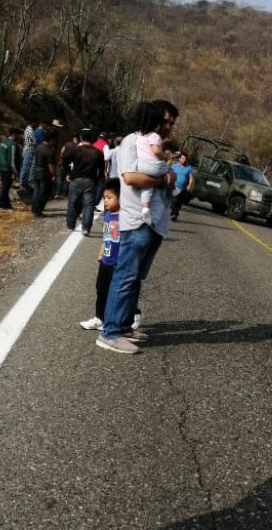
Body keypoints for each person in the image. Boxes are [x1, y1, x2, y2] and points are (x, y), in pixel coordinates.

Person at [96, 100, 179, 354]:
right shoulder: (131, 141)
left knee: (135, 278)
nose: (169, 126)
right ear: (153, 118)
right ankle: (109, 332)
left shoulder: (156, 145)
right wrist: (165, 177)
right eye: (166, 121)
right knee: (125, 275)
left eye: (172, 122)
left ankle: (123, 325)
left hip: (155, 224)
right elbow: (131, 177)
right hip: (136, 220)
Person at [79, 178, 121, 331]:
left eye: (109, 198)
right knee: (101, 289)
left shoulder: (125, 217)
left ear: (121, 198)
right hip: (106, 259)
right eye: (104, 198)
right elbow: (106, 236)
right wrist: (101, 252)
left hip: (117, 262)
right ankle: (99, 318)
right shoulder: (108, 215)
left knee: (115, 292)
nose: (106, 201)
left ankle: (115, 320)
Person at [63, 128, 105, 236]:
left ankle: (70, 225)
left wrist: (68, 173)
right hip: (90, 180)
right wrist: (99, 180)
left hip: (76, 179)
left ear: (80, 137)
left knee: (72, 203)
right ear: (92, 139)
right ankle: (86, 228)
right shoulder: (97, 153)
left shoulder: (74, 150)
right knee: (88, 205)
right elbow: (101, 170)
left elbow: (65, 160)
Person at [135, 108, 172, 225]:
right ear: (156, 125)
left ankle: (145, 208)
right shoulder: (155, 136)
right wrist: (166, 156)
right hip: (153, 165)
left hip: (140, 165)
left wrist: (164, 141)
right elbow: (156, 151)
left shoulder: (139, 136)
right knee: (169, 170)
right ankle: (174, 189)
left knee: (148, 186)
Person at [31, 128, 56, 217]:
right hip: (45, 173)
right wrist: (53, 175)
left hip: (36, 170)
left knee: (36, 191)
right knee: (43, 193)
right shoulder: (50, 151)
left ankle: (34, 208)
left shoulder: (39, 147)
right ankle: (38, 210)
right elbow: (51, 166)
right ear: (51, 140)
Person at [0, 127, 22, 210]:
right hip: (8, 169)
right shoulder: (12, 145)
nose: (19, 137)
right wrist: (14, 172)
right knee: (6, 187)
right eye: (18, 135)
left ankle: (6, 204)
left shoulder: (4, 141)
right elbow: (12, 160)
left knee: (5, 186)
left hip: (2, 167)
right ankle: (1, 204)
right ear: (15, 134)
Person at [170, 151, 194, 222]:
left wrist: (189, 185)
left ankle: (175, 215)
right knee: (174, 200)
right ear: (179, 159)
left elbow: (191, 177)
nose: (184, 160)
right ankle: (173, 213)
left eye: (185, 159)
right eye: (183, 158)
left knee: (179, 203)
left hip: (183, 189)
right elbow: (169, 173)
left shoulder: (189, 168)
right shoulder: (174, 166)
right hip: (174, 186)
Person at [19, 121, 38, 193]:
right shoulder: (29, 130)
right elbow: (33, 141)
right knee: (25, 166)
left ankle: (25, 183)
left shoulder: (30, 130)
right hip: (29, 150)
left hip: (30, 150)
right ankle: (22, 183)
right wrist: (35, 141)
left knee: (29, 167)